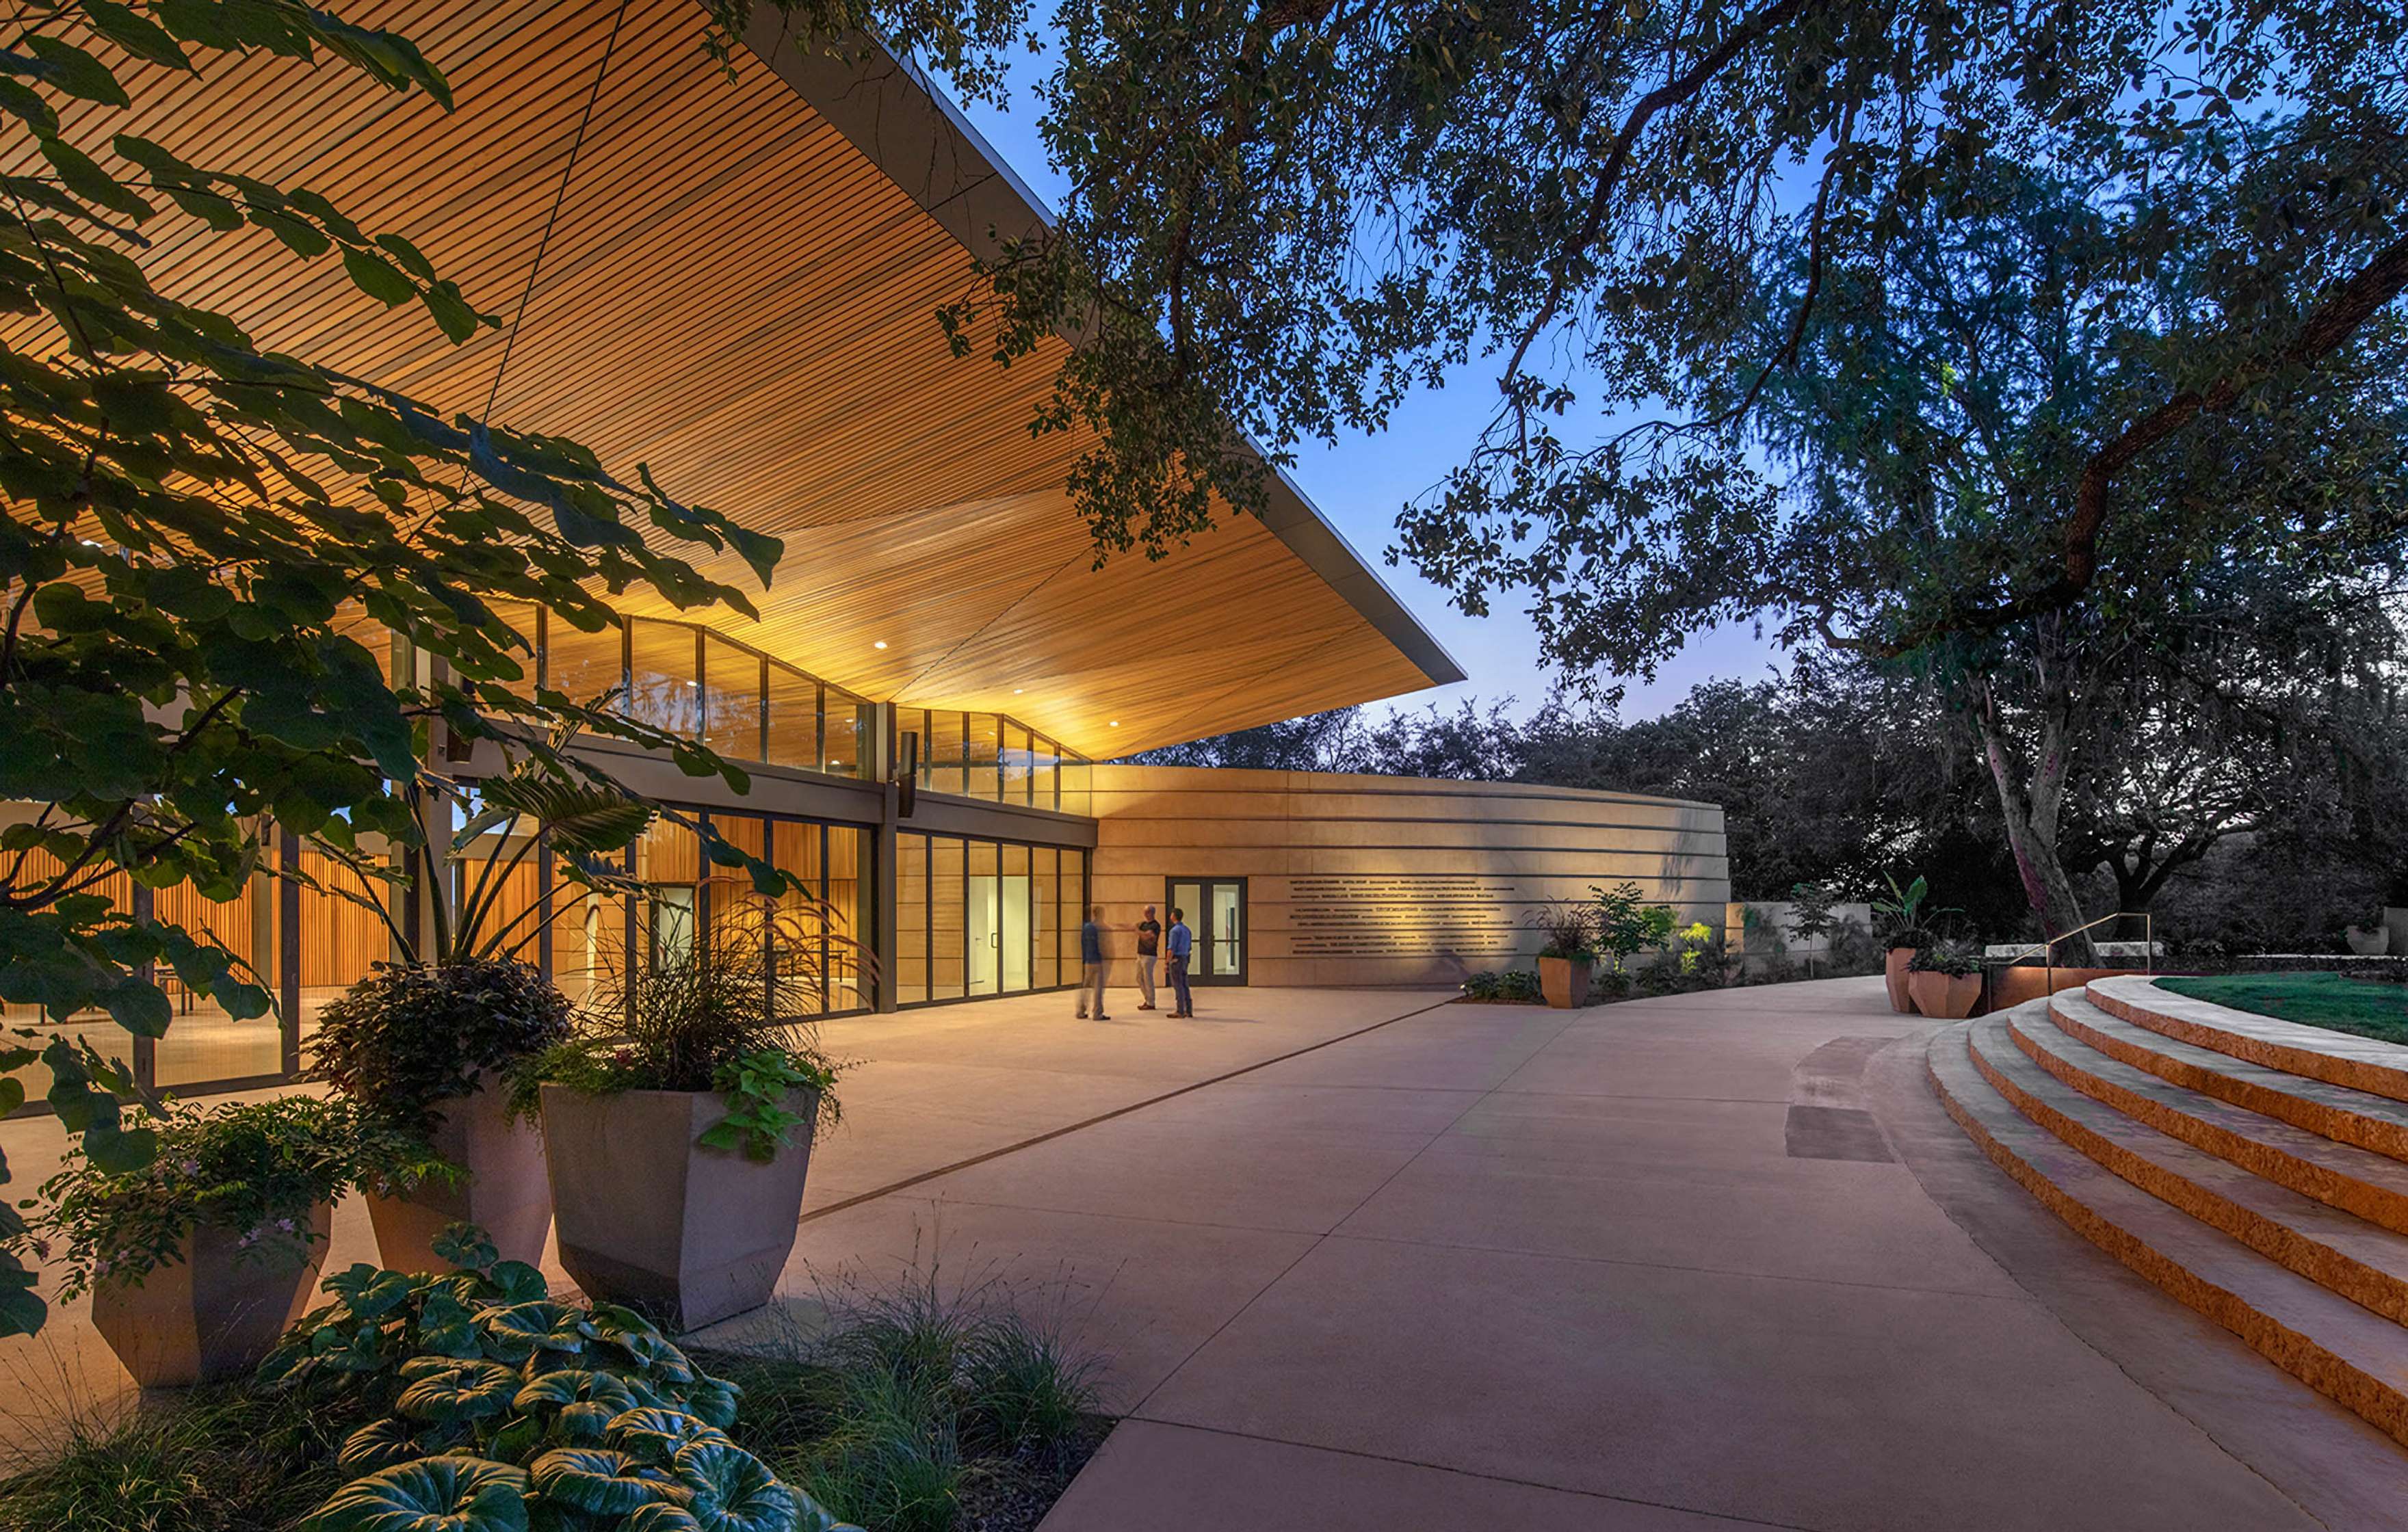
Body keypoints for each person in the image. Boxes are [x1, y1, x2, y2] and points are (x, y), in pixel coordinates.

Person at [1076, 904, 1110, 1020]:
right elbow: (1103, 946)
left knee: (1086, 986)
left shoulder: (1086, 927)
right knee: (1098, 988)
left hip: (1088, 961)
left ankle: (1080, 1011)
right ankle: (1097, 1013)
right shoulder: (1100, 928)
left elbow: (1082, 944)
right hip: (1097, 961)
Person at [1165, 906, 1194, 1018]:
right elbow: (1189, 947)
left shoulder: (1174, 931)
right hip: (1185, 959)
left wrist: (1167, 963)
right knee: (1185, 984)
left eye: (1171, 914)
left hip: (1176, 959)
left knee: (1177, 985)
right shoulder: (1187, 930)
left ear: (1174, 916)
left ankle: (1180, 1010)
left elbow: (1171, 948)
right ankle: (1189, 1010)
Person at [1134, 904, 1162, 1011]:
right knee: (1139, 978)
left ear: (1152, 913)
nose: (1145, 914)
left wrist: (1136, 930)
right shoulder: (1143, 924)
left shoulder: (1155, 925)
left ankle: (1151, 1003)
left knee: (1148, 979)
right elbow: (1136, 929)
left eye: (1147, 912)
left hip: (1149, 956)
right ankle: (1148, 999)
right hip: (1140, 954)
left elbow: (1147, 935)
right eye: (1144, 912)